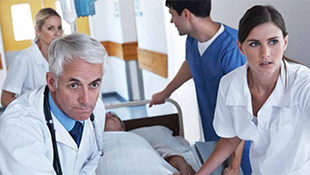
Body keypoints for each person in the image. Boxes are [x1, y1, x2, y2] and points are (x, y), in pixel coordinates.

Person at [197, 5, 310, 174]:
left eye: (273, 42)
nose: (265, 53)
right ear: (241, 48)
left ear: (285, 42)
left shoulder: (303, 83)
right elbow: (231, 138)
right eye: (255, 44)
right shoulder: (229, 85)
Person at [149, 0, 250, 174]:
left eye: (172, 14)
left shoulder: (232, 49)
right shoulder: (193, 40)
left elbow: (241, 113)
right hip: (214, 132)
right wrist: (165, 93)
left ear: (186, 14)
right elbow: (192, 63)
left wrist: (234, 167)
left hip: (241, 146)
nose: (172, 21)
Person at [0, 33, 108, 175]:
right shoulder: (19, 126)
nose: (86, 100)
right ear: (52, 82)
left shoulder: (97, 109)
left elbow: (91, 164)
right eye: (74, 85)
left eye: (94, 84)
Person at [96, 112, 196, 175]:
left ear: (122, 128)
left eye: (112, 116)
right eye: (104, 117)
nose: (108, 115)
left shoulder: (138, 138)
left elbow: (169, 154)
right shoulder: (93, 144)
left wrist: (184, 166)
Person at [1, 7, 63, 107]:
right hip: (32, 117)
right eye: (50, 28)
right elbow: (6, 99)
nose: (57, 33)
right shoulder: (23, 60)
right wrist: (31, 111)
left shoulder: (61, 56)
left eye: (59, 28)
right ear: (38, 30)